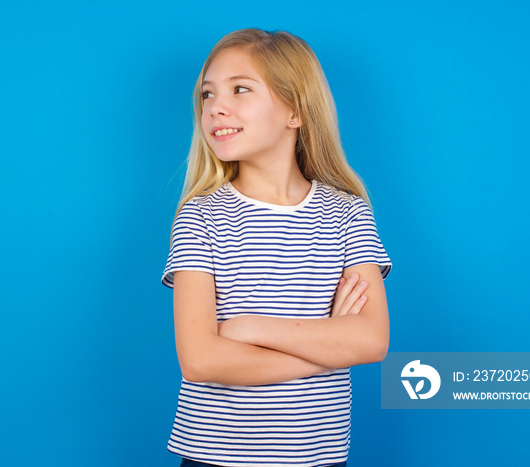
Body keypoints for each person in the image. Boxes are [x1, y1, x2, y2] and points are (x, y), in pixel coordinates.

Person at [162, 28, 391, 467]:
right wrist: (326, 349)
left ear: (295, 112)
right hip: (215, 456)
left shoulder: (347, 214)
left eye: (240, 89)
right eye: (208, 95)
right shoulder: (201, 217)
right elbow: (201, 360)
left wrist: (252, 329)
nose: (216, 107)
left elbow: (371, 340)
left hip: (317, 457)